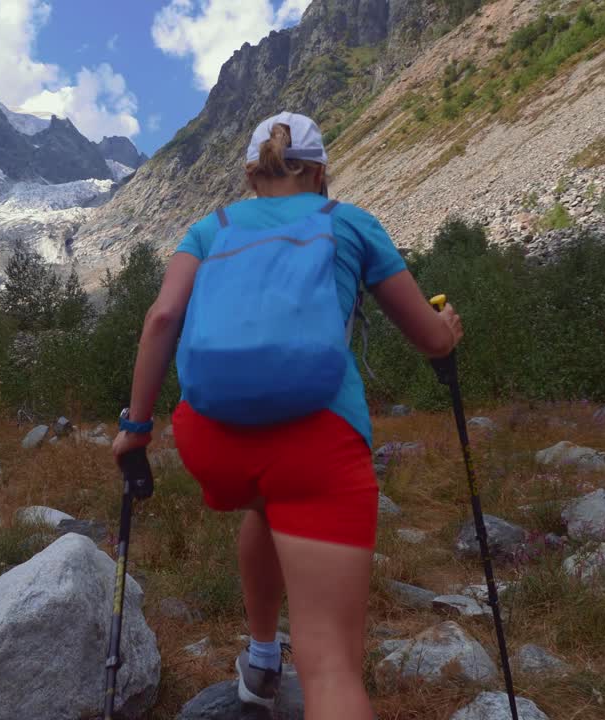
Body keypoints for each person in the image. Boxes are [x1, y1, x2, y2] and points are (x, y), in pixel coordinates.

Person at [111, 111, 463, 719]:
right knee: (330, 668)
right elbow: (430, 339)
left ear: (252, 176)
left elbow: (162, 318)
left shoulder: (210, 228)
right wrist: (448, 329)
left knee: (268, 504)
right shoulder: (348, 222)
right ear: (320, 172)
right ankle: (293, 665)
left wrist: (135, 430)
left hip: (212, 440)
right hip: (316, 442)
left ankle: (262, 657)